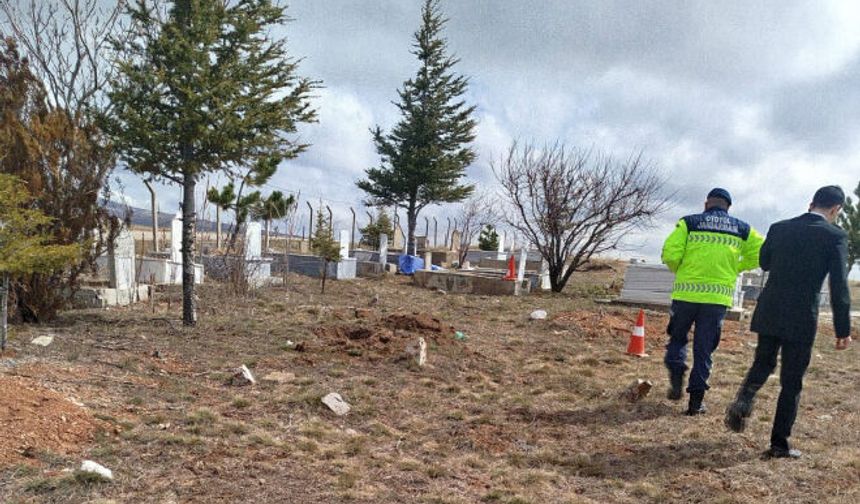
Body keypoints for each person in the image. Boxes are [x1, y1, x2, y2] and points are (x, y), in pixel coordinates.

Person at [725, 185, 852, 459]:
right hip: (801, 316)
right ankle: (779, 444)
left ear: (811, 203)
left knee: (763, 362)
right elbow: (839, 285)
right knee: (791, 381)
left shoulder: (779, 227)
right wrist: (843, 329)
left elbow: (765, 262)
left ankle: (744, 399)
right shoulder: (835, 236)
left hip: (770, 309)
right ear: (835, 209)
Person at [661, 188, 764, 415]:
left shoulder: (689, 223)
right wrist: (735, 267)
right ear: (728, 207)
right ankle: (695, 404)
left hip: (685, 295)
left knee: (677, 339)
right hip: (717, 299)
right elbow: (760, 253)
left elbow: (669, 253)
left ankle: (677, 373)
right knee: (704, 349)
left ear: (706, 203)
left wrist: (682, 269)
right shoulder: (742, 228)